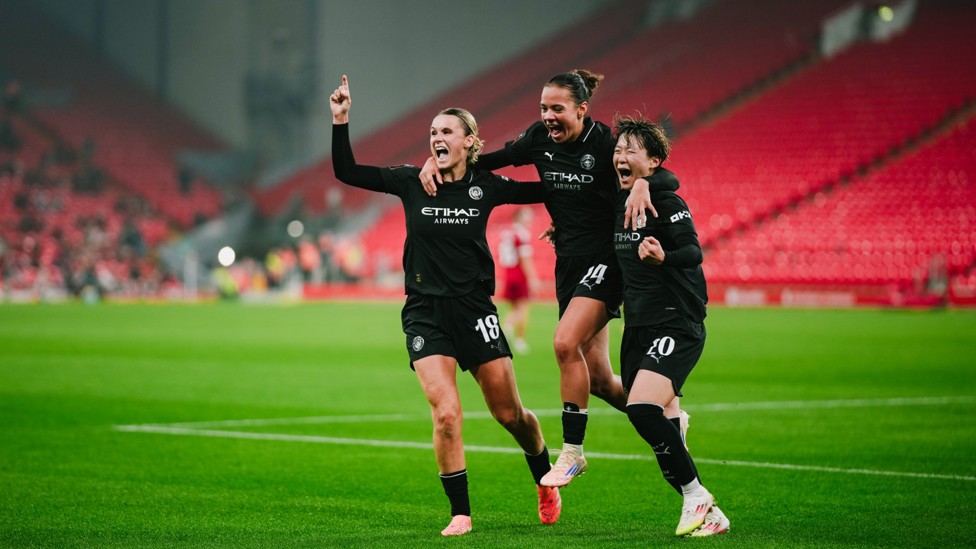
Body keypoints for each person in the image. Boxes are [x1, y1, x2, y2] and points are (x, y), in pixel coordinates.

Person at [421, 69, 680, 488]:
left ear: (582, 109)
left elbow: (666, 174)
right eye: (543, 108)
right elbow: (487, 162)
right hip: (569, 264)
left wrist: (645, 185)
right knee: (597, 379)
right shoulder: (537, 140)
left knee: (563, 342)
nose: (548, 116)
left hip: (607, 259)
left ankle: (573, 453)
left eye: (557, 109)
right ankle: (669, 417)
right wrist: (437, 163)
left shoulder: (605, 143)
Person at [329, 75, 561, 536]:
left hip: (475, 310)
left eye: (447, 132)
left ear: (469, 142)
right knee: (447, 413)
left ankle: (543, 478)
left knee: (510, 415)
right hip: (424, 311)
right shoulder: (410, 182)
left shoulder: (487, 186)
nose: (437, 138)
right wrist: (340, 121)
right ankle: (461, 512)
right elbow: (347, 172)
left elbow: (549, 191)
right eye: (433, 132)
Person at [611, 114, 729, 536]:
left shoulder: (668, 202)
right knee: (659, 434)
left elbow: (694, 253)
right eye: (618, 149)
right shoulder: (619, 199)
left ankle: (698, 497)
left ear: (654, 161)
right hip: (637, 326)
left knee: (641, 408)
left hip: (677, 321)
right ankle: (711, 517)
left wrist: (664, 257)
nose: (621, 157)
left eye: (631, 151)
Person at [498, 205, 538, 353]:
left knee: (514, 308)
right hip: (519, 273)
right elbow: (524, 258)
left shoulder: (507, 233)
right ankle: (518, 339)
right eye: (527, 216)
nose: (530, 219)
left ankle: (507, 327)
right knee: (523, 308)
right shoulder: (522, 234)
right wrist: (533, 278)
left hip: (508, 272)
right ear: (519, 217)